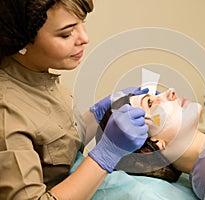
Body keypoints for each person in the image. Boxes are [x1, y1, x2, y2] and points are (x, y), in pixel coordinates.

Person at [0, 1, 149, 199]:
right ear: (20, 41)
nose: (85, 38)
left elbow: (55, 152)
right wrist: (106, 153)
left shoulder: (40, 77)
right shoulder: (6, 111)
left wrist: (96, 115)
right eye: (66, 34)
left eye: (82, 23)